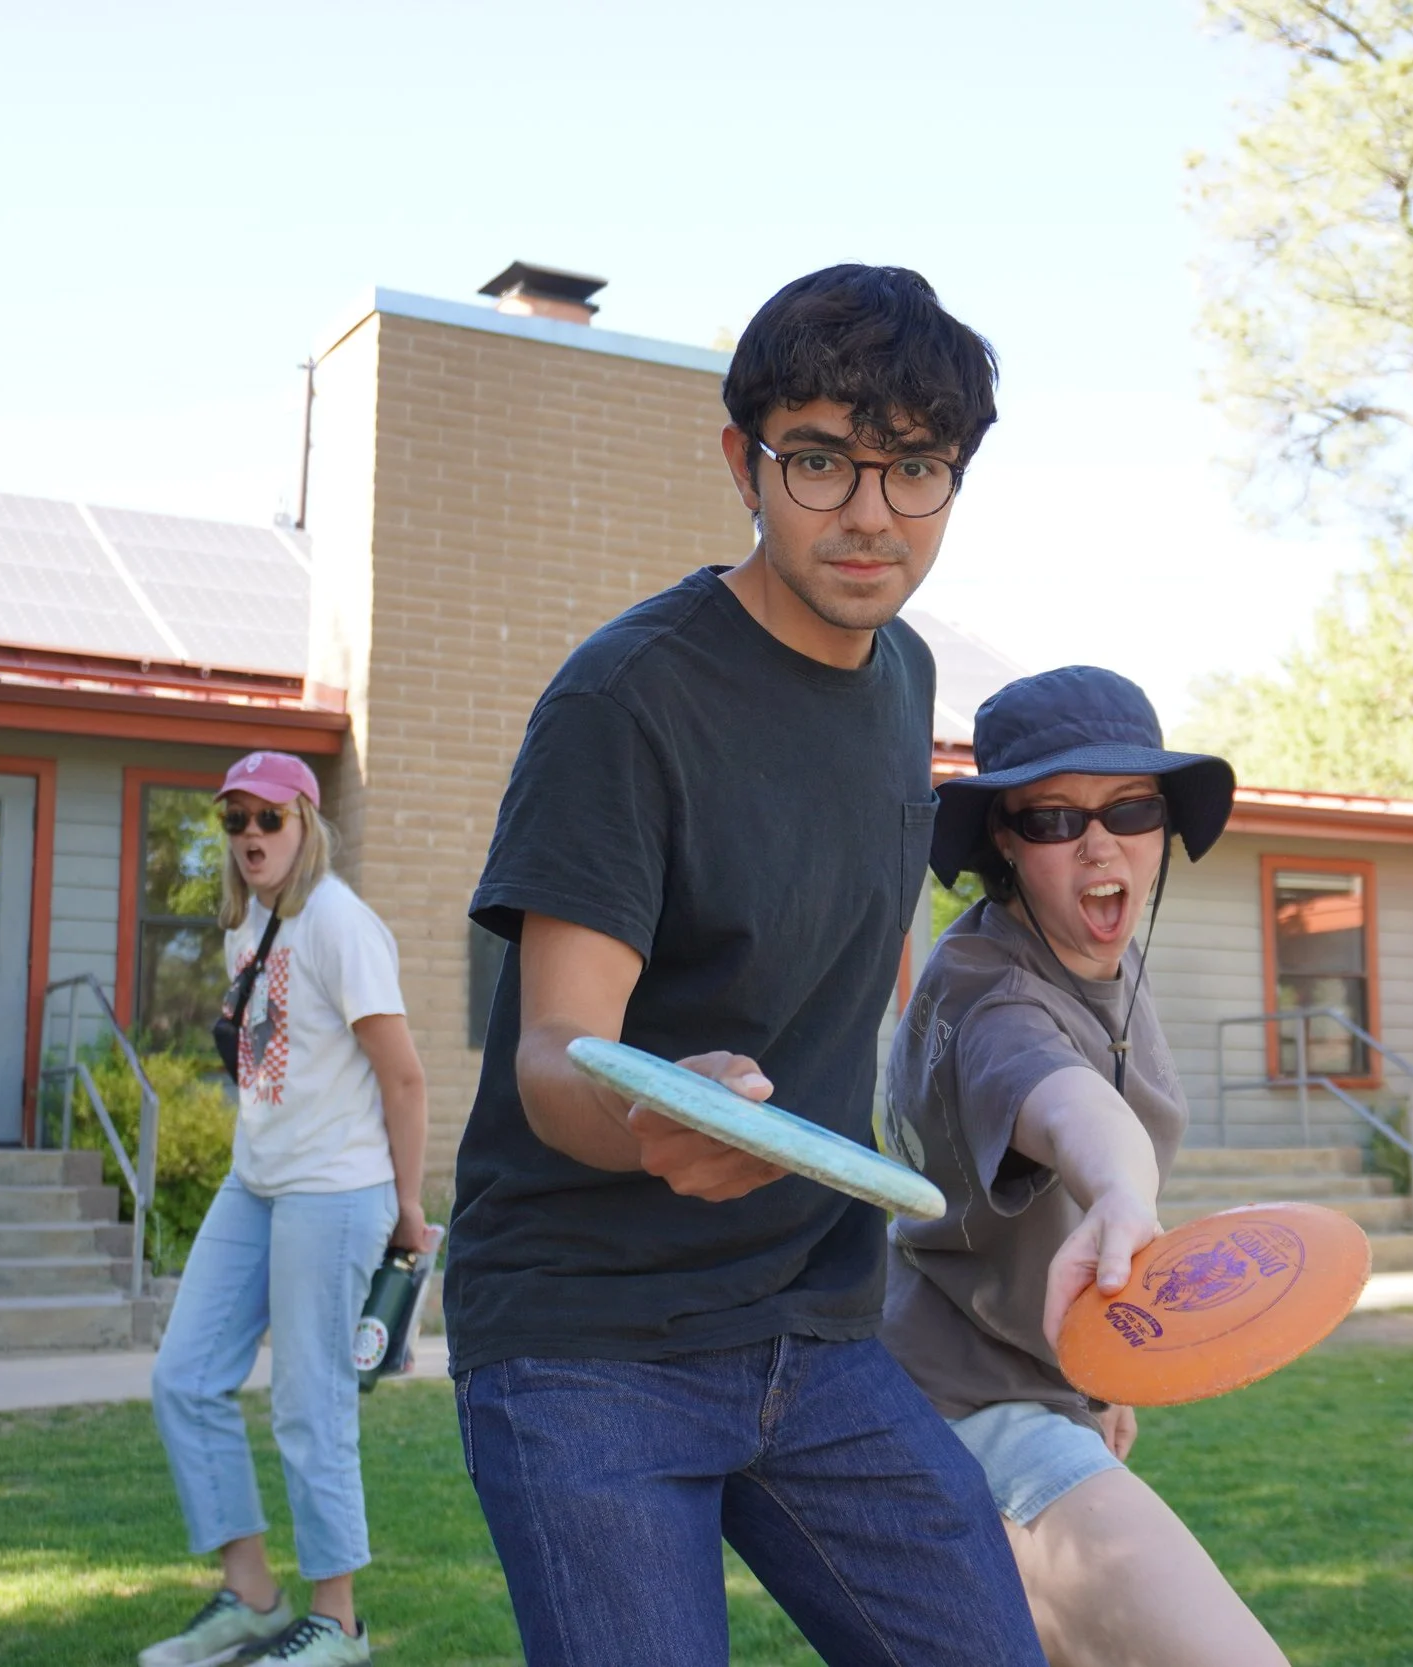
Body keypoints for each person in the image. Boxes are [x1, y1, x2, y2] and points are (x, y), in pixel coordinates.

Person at [444, 265, 1046, 1667]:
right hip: (588, 1335)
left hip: (813, 1322)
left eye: (916, 468)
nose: (870, 513)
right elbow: (554, 1053)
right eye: (822, 460)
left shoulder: (904, 678)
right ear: (744, 461)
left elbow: (856, 938)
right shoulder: (625, 699)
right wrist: (660, 1111)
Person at [878, 666, 1287, 1667]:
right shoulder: (989, 994)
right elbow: (1068, 1104)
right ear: (1007, 843)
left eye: (1131, 808)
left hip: (1040, 1384)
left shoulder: (1101, 961)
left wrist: (1103, 1365)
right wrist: (1121, 1191)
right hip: (963, 1404)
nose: (1100, 843)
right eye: (1056, 818)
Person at [140, 751, 429, 1667]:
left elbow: (404, 1076)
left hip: (335, 1189)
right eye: (236, 820)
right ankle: (254, 1596)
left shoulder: (340, 923)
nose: (251, 835)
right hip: (256, 1180)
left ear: (307, 821)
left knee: (310, 1405)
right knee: (185, 1377)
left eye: (269, 817)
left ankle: (337, 1624)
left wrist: (409, 1206)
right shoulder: (251, 923)